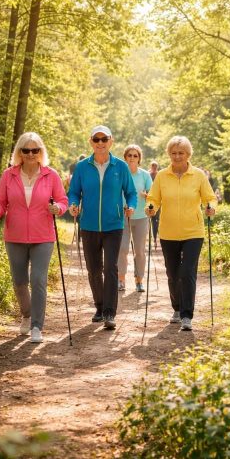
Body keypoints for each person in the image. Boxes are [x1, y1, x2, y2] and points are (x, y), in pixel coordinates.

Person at [0, 132, 68, 343]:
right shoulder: (9, 175)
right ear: (20, 152)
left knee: (38, 280)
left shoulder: (51, 175)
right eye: (26, 150)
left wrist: (57, 208)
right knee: (19, 281)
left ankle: (36, 326)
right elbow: (0, 200)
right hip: (14, 235)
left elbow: (62, 200)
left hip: (43, 235)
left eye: (35, 150)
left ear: (40, 152)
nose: (31, 154)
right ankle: (26, 315)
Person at [68, 126, 137, 330]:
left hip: (114, 225)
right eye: (96, 139)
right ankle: (99, 307)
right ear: (91, 142)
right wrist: (73, 205)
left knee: (110, 268)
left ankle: (109, 312)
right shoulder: (82, 167)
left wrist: (131, 206)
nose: (100, 143)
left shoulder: (120, 166)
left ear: (110, 141)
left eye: (104, 139)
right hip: (88, 224)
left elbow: (131, 192)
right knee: (94, 269)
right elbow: (73, 193)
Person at [145, 136, 216, 332]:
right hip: (168, 232)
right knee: (173, 273)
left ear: (188, 154)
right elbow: (153, 198)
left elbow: (209, 197)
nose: (177, 156)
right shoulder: (161, 176)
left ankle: (187, 315)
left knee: (187, 272)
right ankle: (176, 308)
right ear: (169, 154)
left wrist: (210, 207)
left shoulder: (198, 175)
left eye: (181, 153)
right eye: (174, 153)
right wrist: (150, 207)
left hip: (193, 231)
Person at [118, 145, 153, 293]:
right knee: (122, 249)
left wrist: (147, 197)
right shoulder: (120, 174)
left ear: (139, 159)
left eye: (135, 156)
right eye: (129, 155)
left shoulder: (145, 175)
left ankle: (139, 280)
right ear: (125, 158)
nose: (132, 158)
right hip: (123, 217)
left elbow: (152, 195)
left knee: (139, 250)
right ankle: (121, 279)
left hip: (141, 217)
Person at [148, 161, 160, 244]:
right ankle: (154, 238)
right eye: (153, 166)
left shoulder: (159, 175)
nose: (154, 167)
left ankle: (156, 237)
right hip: (149, 200)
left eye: (155, 166)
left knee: (157, 219)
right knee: (152, 219)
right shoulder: (147, 175)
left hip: (158, 201)